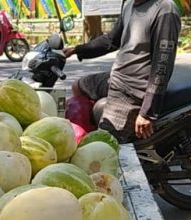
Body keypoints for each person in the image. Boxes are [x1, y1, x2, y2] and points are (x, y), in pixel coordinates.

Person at [63, 0, 180, 142]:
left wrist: (147, 113)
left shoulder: (165, 9)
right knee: (78, 87)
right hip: (116, 78)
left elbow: (162, 65)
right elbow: (111, 40)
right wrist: (78, 50)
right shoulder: (129, 4)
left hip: (132, 90)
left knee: (103, 144)